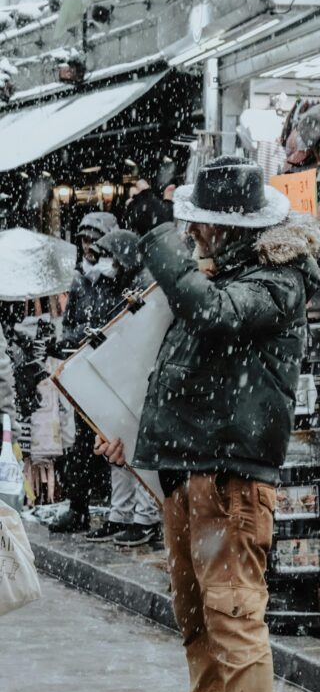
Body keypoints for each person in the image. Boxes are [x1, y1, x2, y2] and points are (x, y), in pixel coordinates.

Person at [96, 156, 320, 692]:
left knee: (233, 618)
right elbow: (160, 355)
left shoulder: (276, 280)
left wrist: (159, 240)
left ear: (228, 228)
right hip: (187, 469)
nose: (189, 232)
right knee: (195, 615)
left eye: (197, 223)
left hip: (231, 476)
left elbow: (216, 315)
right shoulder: (214, 272)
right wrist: (124, 427)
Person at [82, 229, 162, 548]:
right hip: (125, 372)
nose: (107, 264)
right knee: (119, 447)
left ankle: (144, 516)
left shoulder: (142, 281)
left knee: (135, 446)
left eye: (112, 257)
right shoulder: (122, 281)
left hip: (138, 373)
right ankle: (123, 513)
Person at [51, 210, 119, 533]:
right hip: (84, 369)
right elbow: (71, 326)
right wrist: (72, 338)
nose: (87, 245)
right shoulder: (79, 279)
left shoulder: (119, 277)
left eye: (93, 239)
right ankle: (79, 508)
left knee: (111, 440)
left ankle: (118, 510)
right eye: (83, 239)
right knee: (81, 441)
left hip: (111, 370)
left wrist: (100, 332)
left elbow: (121, 323)